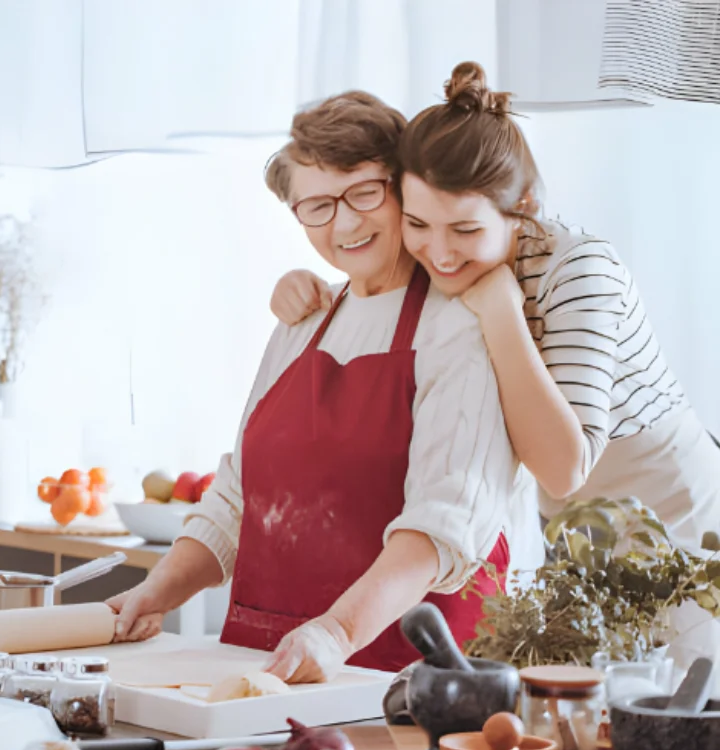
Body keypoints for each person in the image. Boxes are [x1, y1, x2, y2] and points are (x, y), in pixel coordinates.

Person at [269, 63, 720, 671]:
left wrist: (503, 311)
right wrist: (303, 286)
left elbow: (564, 467)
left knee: (683, 707)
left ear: (523, 206)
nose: (439, 250)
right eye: (419, 224)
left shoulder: (580, 270)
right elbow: (376, 276)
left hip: (671, 512)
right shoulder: (447, 258)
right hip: (572, 530)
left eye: (464, 229)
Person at [106, 90, 521, 681]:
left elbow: (443, 527)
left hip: (405, 678)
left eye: (364, 192)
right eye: (318, 205)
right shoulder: (305, 319)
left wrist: (336, 631)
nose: (345, 222)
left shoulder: (459, 326)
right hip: (267, 666)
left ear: (406, 186)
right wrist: (158, 591)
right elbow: (239, 495)